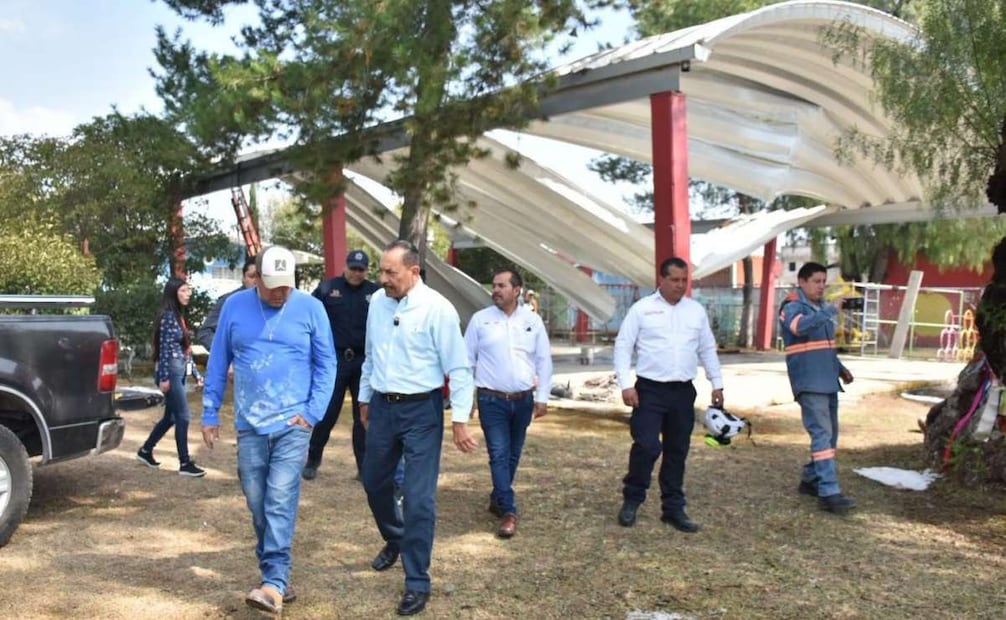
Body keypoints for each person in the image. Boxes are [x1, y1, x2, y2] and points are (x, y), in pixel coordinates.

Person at [199, 245, 337, 615]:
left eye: (286, 285)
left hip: (294, 423)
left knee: (279, 497)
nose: (281, 292)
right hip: (250, 423)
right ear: (256, 278)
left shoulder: (311, 308)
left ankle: (273, 583)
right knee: (257, 500)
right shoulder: (234, 307)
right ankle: (276, 574)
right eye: (273, 285)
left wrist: (312, 413)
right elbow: (219, 361)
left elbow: (327, 363)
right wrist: (210, 411)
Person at [359, 240, 476, 617]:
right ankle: (396, 538)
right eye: (381, 271)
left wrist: (460, 419)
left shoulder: (438, 309)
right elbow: (371, 354)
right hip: (382, 406)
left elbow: (459, 368)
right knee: (374, 482)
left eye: (390, 272)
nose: (383, 279)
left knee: (418, 498)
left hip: (422, 411)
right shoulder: (377, 303)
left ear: (414, 271)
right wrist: (364, 399)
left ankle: (417, 581)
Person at [613, 257, 723, 532]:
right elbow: (623, 346)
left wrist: (717, 383)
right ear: (661, 279)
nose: (680, 285)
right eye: (674, 280)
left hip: (682, 392)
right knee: (647, 445)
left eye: (684, 280)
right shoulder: (642, 309)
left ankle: (673, 509)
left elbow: (707, 348)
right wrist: (626, 384)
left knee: (677, 451)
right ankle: (632, 499)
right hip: (649, 391)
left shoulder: (695, 311)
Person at [464, 267, 552, 538]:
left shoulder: (532, 321)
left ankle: (498, 497)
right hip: (491, 400)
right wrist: (466, 400)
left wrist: (543, 397)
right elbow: (466, 361)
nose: (496, 290)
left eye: (502, 286)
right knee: (499, 454)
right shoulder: (480, 320)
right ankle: (509, 510)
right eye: (494, 285)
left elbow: (543, 360)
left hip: (523, 400)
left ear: (517, 290)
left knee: (513, 454)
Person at [779, 262, 856, 515]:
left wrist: (840, 368)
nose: (821, 286)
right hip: (809, 382)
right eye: (816, 281)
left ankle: (810, 480)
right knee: (822, 435)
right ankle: (829, 492)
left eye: (824, 281)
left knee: (829, 437)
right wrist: (830, 311)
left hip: (827, 380)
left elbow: (824, 346)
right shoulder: (792, 306)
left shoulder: (821, 308)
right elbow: (798, 327)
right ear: (802, 282)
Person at [303, 249, 380, 481]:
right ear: (345, 267)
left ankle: (364, 467)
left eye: (361, 270)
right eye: (353, 268)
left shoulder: (375, 293)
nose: (356, 273)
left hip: (363, 361)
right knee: (327, 412)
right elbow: (310, 317)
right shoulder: (328, 289)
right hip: (334, 359)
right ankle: (313, 459)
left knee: (362, 415)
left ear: (366, 271)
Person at [136, 277, 206, 477]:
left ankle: (145, 450)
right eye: (183, 290)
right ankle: (185, 463)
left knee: (171, 417)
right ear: (173, 293)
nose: (188, 294)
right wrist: (164, 378)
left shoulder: (178, 316)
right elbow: (164, 350)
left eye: (188, 290)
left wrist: (197, 375)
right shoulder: (167, 316)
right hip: (171, 373)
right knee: (183, 416)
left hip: (179, 370)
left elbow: (185, 350)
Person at [197, 256, 259, 350]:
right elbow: (205, 333)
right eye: (252, 276)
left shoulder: (275, 302)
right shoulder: (229, 301)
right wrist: (227, 352)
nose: (256, 281)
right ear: (243, 278)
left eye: (260, 277)